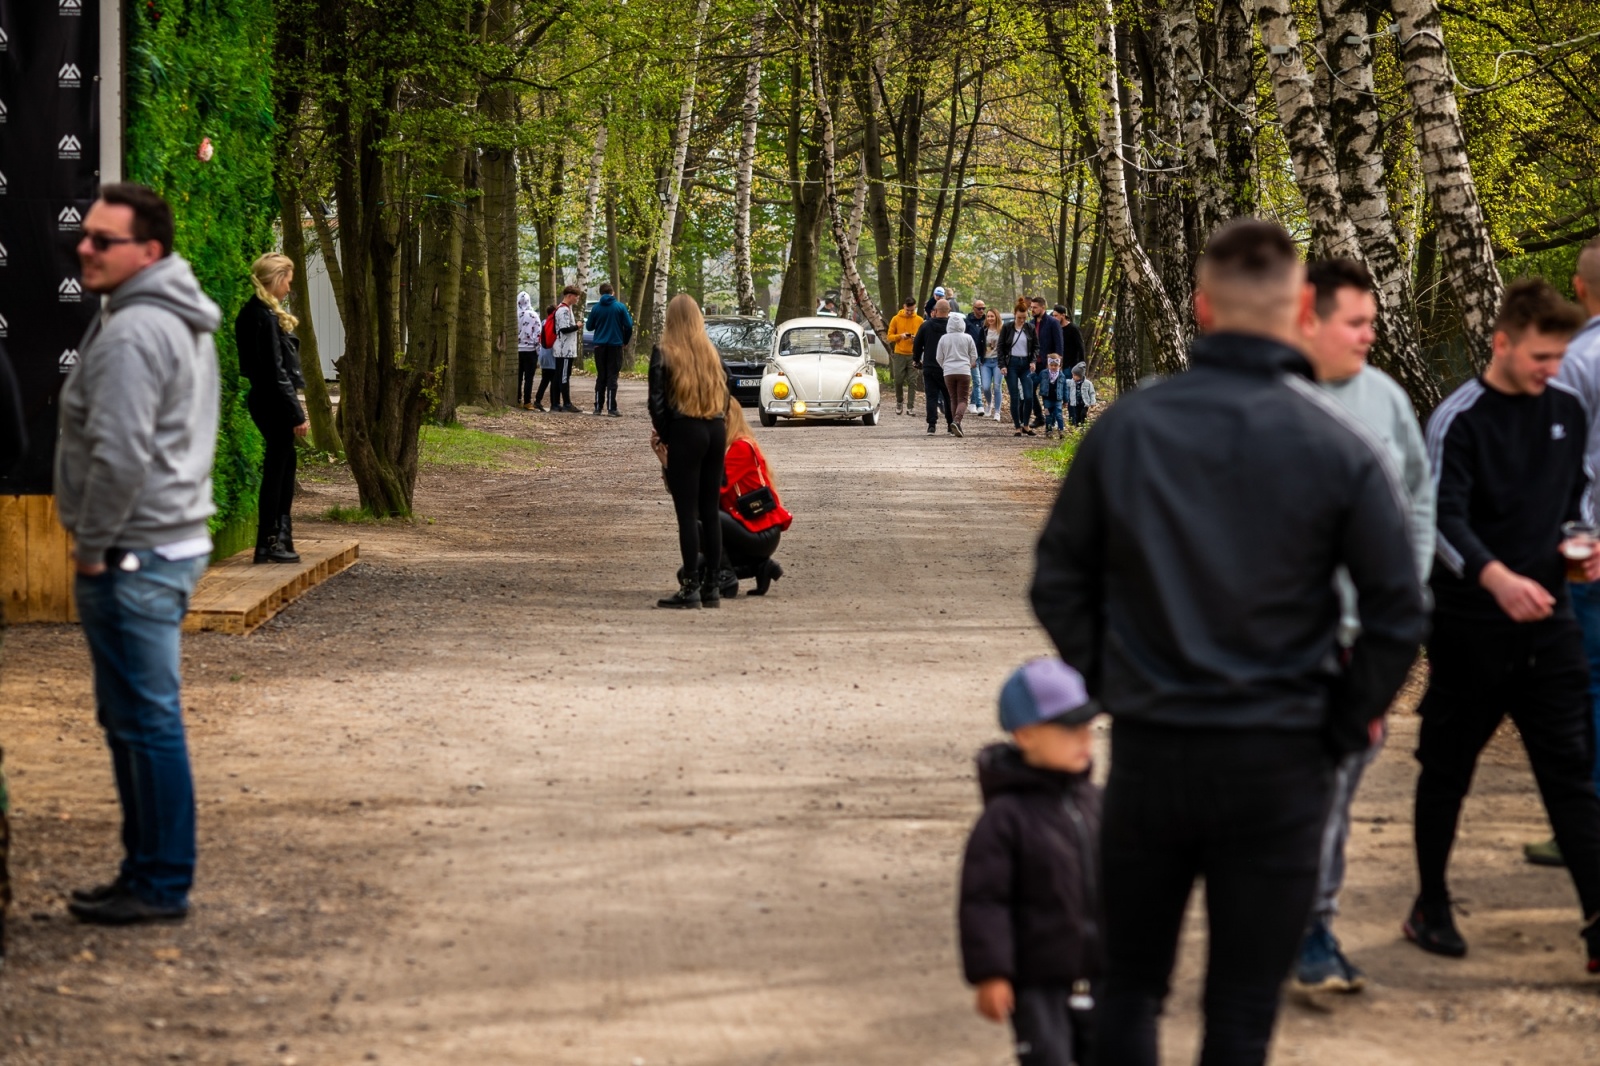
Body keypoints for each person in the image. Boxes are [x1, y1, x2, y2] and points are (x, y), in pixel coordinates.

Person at [1031, 219, 1426, 1065]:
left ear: (1202, 308)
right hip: (1281, 759)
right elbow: (1399, 608)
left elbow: (1057, 580)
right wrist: (1341, 719)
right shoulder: (1339, 446)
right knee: (1242, 1012)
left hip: (1154, 752)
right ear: (1298, 313)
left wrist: (1113, 679)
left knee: (1132, 989)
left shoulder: (1130, 429)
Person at [1407, 278, 1600, 969]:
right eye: (1541, 358)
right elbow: (1442, 522)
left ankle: (1598, 922)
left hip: (1549, 626)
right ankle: (1429, 902)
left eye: (1559, 357)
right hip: (1469, 629)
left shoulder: (1569, 409)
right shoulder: (1459, 418)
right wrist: (1496, 576)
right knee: (1447, 768)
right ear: (1502, 343)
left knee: (1570, 774)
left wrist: (1584, 541)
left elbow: (1575, 497)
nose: (1553, 370)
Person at [56, 183, 223, 926]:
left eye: (102, 240)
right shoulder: (169, 316)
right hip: (163, 542)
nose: (84, 248)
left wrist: (92, 548)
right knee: (135, 719)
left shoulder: (132, 331)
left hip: (134, 552)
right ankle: (145, 872)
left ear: (148, 252)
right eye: (84, 235)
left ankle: (158, 883)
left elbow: (120, 457)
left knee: (146, 722)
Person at [1291, 258, 1435, 993]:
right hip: (1274, 647)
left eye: (1373, 321)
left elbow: (1416, 502)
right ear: (1305, 320)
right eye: (1357, 322)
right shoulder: (1265, 400)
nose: (1371, 335)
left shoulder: (1384, 399)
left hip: (1359, 646)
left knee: (1335, 795)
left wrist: (1401, 605)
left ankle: (1312, 925)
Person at [959, 658, 1104, 1066]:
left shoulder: (1096, 804)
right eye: (1068, 729)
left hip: (1100, 972)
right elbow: (984, 901)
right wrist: (992, 972)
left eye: (1087, 728)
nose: (1084, 740)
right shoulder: (1004, 820)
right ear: (1026, 735)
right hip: (1037, 979)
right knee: (1048, 1058)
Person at [1529, 237, 1600, 868]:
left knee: (1588, 680)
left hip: (1588, 545)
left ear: (1578, 290)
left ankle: (1589, 819)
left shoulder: (1576, 361)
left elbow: (1557, 459)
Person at [648, 294, 731, 609]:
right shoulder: (711, 352)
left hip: (686, 430)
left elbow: (656, 402)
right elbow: (728, 389)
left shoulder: (664, 352)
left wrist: (667, 436)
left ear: (671, 320)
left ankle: (690, 587)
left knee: (687, 514)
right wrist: (718, 418)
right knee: (711, 511)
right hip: (714, 428)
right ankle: (713, 585)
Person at [235, 252, 308, 565]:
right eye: (288, 281)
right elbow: (276, 373)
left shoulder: (258, 313)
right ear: (277, 279)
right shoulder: (262, 316)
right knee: (278, 469)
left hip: (269, 398)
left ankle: (279, 536)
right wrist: (297, 413)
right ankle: (269, 541)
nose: (289, 288)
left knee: (284, 466)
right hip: (272, 400)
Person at [717, 402, 791, 598]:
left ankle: (726, 577)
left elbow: (712, 490)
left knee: (703, 518)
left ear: (726, 421)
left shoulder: (740, 447)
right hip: (754, 527)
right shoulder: (738, 445)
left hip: (762, 531)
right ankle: (761, 567)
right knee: (690, 572)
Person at [586, 281, 634, 417]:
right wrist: (625, 341)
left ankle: (597, 407)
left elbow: (589, 326)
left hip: (599, 346)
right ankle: (612, 408)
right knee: (612, 376)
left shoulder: (596, 308)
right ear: (613, 292)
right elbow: (629, 326)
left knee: (601, 376)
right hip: (615, 345)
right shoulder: (620, 307)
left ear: (600, 293)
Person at [914, 299, 954, 436]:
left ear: (935, 311)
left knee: (931, 396)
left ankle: (932, 425)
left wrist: (916, 360)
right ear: (949, 311)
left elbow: (917, 344)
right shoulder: (952, 327)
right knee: (949, 396)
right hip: (948, 367)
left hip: (930, 366)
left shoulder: (926, 326)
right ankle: (950, 424)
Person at [938, 311, 978, 437]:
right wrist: (970, 363)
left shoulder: (944, 338)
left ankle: (956, 423)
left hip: (948, 372)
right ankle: (957, 421)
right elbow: (974, 355)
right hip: (964, 371)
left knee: (953, 398)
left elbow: (939, 357)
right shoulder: (968, 338)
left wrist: (945, 366)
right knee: (963, 399)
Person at [1000, 304, 1037, 435]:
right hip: (1012, 364)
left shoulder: (1030, 328)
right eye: (1020, 317)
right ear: (1015, 314)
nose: (1022, 320)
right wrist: (1002, 365)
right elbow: (1001, 347)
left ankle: (1026, 424)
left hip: (1026, 364)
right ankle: (1017, 426)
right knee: (1014, 396)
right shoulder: (1007, 327)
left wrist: (1033, 361)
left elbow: (1035, 347)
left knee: (1028, 396)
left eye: (1024, 317)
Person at [1030, 297, 1062, 430]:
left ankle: (1051, 419)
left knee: (1048, 393)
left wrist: (1057, 363)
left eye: (1035, 307)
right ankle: (1039, 417)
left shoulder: (1052, 322)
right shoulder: (1031, 323)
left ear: (1043, 307)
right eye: (1031, 307)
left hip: (1048, 364)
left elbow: (1059, 343)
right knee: (1029, 390)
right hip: (1034, 363)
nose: (1032, 309)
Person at [887, 298, 923, 416]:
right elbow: (889, 337)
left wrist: (916, 340)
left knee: (912, 381)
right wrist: (900, 336)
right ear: (904, 306)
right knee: (898, 379)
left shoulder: (919, 320)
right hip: (899, 354)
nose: (909, 312)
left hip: (913, 354)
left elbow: (923, 338)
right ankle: (899, 400)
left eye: (912, 310)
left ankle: (910, 407)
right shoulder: (896, 319)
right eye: (908, 310)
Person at [552, 285, 583, 413]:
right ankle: (566, 403)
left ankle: (556, 403)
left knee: (560, 375)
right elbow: (564, 329)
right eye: (576, 297)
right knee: (564, 376)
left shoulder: (565, 308)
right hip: (564, 350)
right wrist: (577, 326)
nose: (577, 299)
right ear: (569, 296)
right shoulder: (563, 310)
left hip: (565, 350)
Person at [516, 291, 540, 411]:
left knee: (518, 376)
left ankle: (516, 399)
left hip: (516, 350)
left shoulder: (513, 315)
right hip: (530, 350)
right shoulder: (533, 315)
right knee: (529, 378)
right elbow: (538, 334)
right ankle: (527, 401)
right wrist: (538, 351)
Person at [978, 308, 1003, 421]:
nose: (990, 318)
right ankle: (989, 403)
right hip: (986, 362)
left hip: (998, 361)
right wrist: (977, 358)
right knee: (986, 386)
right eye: (988, 316)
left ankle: (997, 411)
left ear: (996, 317)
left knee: (997, 386)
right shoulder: (983, 330)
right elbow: (978, 345)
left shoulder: (1002, 330)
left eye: (992, 316)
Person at [533, 303, 559, 411]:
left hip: (543, 353)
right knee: (553, 379)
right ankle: (554, 404)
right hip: (551, 354)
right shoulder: (552, 323)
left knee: (545, 379)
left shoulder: (544, 322)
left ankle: (538, 400)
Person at [966, 299, 989, 416]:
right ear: (973, 308)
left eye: (983, 308)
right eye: (979, 308)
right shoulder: (967, 321)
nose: (981, 311)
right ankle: (979, 405)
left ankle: (973, 402)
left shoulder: (986, 321)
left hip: (984, 354)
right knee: (977, 380)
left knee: (982, 381)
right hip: (971, 355)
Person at [1037, 355, 1067, 439]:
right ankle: (1049, 430)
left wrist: (1066, 400)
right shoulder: (1043, 373)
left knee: (1058, 415)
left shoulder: (1062, 375)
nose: (1053, 367)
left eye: (1056, 365)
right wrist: (1031, 376)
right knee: (1048, 415)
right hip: (1047, 398)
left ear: (1059, 366)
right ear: (1048, 365)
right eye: (1051, 365)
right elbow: (1037, 380)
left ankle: (1061, 430)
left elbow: (1065, 389)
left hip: (1058, 399)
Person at [1065, 363, 1096, 428]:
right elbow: (1064, 382)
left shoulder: (1088, 383)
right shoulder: (1071, 382)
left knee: (1083, 414)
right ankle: (1078, 426)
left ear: (1080, 375)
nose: (1073, 376)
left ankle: (1083, 425)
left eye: (1075, 375)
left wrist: (1093, 402)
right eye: (1072, 375)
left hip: (1084, 403)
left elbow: (1092, 393)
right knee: (1076, 415)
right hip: (1075, 403)